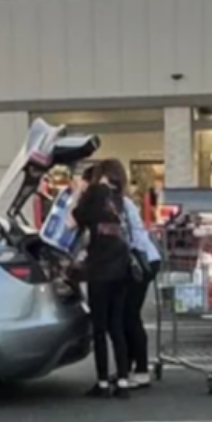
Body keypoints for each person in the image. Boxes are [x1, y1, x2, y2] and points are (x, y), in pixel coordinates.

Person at [71, 158, 133, 398]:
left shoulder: (95, 193)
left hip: (100, 270)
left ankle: (103, 382)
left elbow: (70, 222)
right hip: (122, 269)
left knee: (100, 328)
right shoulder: (119, 200)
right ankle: (124, 381)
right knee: (116, 326)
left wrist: (77, 193)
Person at [104, 158, 160, 389]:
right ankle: (130, 366)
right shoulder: (116, 202)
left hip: (142, 262)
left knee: (130, 316)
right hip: (138, 261)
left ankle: (141, 370)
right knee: (125, 316)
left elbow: (134, 236)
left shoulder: (121, 204)